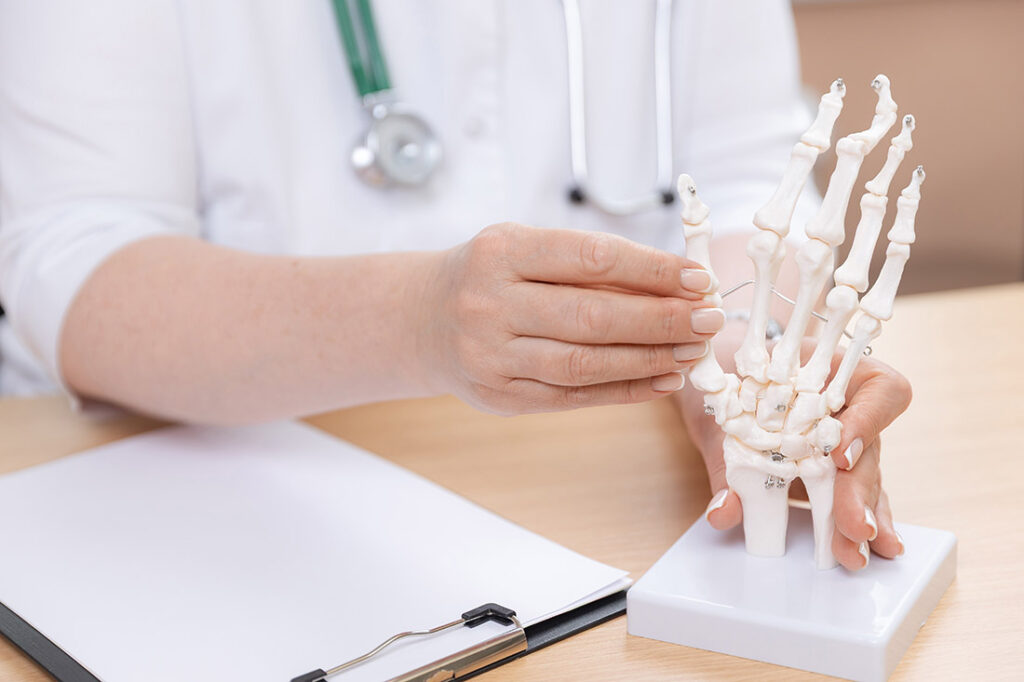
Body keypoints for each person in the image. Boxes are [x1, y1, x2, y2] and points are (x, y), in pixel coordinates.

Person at [0, 0, 909, 571]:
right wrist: (417, 322)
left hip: (598, 514)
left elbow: (750, 177)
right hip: (214, 520)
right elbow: (73, 255)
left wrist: (759, 369)